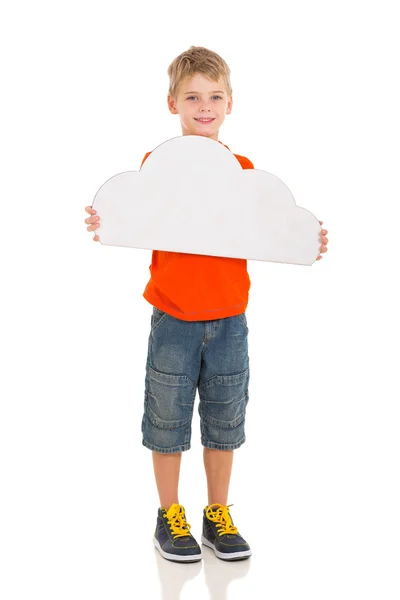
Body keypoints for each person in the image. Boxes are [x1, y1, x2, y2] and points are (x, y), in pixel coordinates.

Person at [84, 46, 329, 563]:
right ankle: (168, 514)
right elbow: (129, 214)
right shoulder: (156, 167)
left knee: (224, 418)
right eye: (193, 96)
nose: (204, 106)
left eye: (215, 96)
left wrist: (304, 240)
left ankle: (217, 514)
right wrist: (104, 222)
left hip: (229, 318)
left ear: (230, 103)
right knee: (167, 418)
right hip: (173, 316)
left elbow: (270, 230)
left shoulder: (244, 171)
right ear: (172, 102)